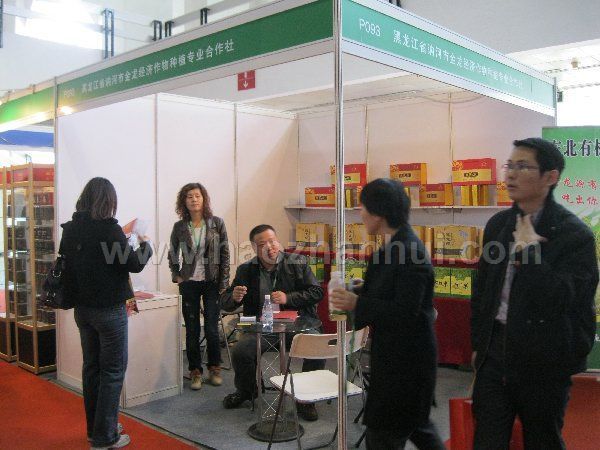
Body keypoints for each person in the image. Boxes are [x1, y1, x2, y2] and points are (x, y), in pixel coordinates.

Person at [470, 138, 598, 449]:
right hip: (495, 354)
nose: (511, 174)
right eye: (510, 166)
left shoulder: (574, 234)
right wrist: (478, 345)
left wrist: (529, 253)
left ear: (550, 177)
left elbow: (564, 299)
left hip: (545, 361)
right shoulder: (498, 225)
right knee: (487, 440)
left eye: (523, 166)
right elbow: (483, 290)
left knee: (542, 440)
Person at [330, 178, 445, 449]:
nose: (360, 214)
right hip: (395, 359)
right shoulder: (393, 246)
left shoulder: (410, 252)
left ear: (378, 213)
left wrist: (357, 303)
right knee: (415, 428)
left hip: (407, 363)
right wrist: (362, 289)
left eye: (363, 207)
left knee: (386, 433)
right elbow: (393, 292)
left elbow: (405, 311)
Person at [60, 177, 153, 449]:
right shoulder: (110, 230)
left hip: (83, 310)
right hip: (110, 311)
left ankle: (97, 429)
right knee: (112, 372)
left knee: (92, 370)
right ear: (108, 201)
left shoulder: (70, 229)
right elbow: (133, 263)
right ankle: (105, 437)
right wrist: (144, 244)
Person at [220, 224, 325, 421]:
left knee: (317, 346)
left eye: (273, 241)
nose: (270, 247)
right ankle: (248, 391)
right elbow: (225, 302)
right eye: (263, 244)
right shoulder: (246, 270)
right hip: (264, 328)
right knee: (241, 351)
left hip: (296, 325)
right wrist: (233, 297)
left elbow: (316, 292)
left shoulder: (297, 262)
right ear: (254, 248)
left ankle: (306, 399)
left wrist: (288, 298)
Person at [168, 183, 230, 390]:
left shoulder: (216, 223)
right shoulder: (179, 227)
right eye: (189, 197)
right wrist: (176, 275)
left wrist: (224, 283)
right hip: (188, 283)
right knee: (192, 329)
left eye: (197, 196)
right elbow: (172, 253)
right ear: (184, 202)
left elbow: (225, 255)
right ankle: (195, 371)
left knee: (211, 328)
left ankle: (215, 368)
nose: (194, 200)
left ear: (204, 199)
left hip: (212, 282)